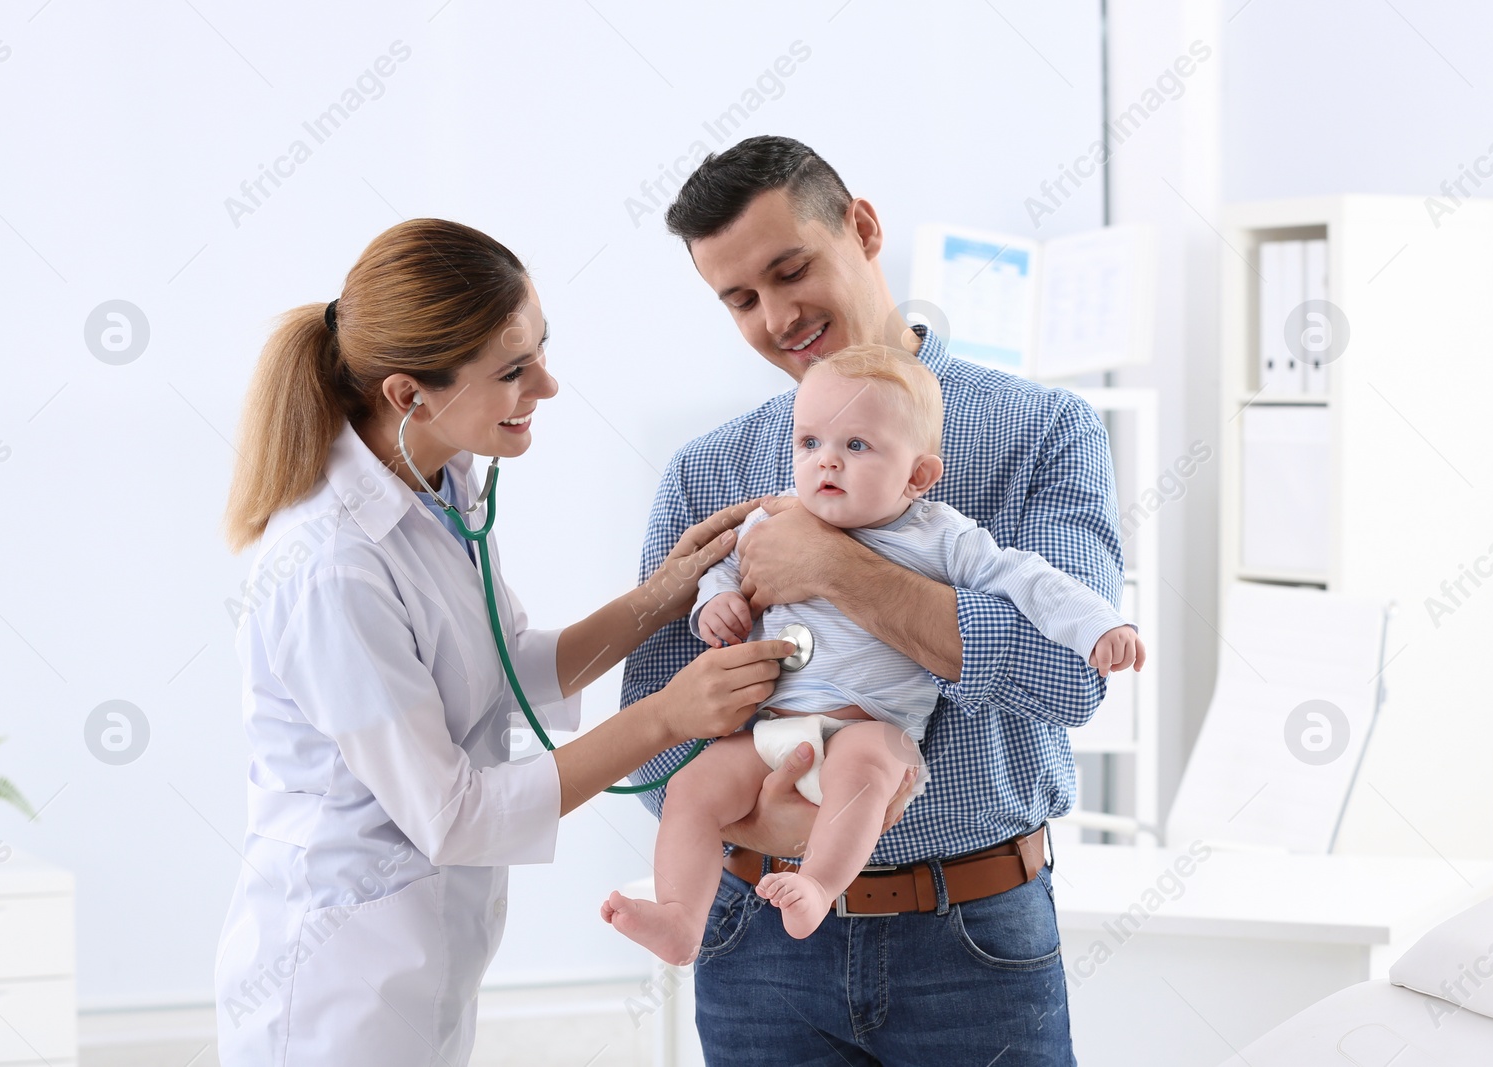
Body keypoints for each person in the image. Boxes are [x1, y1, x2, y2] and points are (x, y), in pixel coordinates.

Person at [212, 217, 793, 1067]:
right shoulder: (332, 567)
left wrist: (663, 597)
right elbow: (451, 813)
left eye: (541, 350)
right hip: (336, 992)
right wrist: (670, 717)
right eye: (513, 370)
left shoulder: (439, 482)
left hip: (423, 962)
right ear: (410, 394)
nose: (548, 386)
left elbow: (504, 666)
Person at [621, 136, 1126, 1065]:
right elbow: (657, 727)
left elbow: (1071, 678)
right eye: (740, 299)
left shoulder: (1040, 433)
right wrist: (764, 815)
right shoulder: (710, 473)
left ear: (862, 227)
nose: (777, 314)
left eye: (790, 268)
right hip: (757, 943)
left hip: (971, 938)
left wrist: (835, 567)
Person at [603, 343, 1142, 962]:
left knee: (865, 769)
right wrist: (714, 606)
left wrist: (1100, 625)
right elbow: (721, 573)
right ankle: (680, 917)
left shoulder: (940, 535)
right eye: (809, 444)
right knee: (693, 786)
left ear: (917, 476)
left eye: (856, 447)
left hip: (868, 730)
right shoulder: (770, 520)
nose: (826, 461)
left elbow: (1029, 579)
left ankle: (818, 884)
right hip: (774, 733)